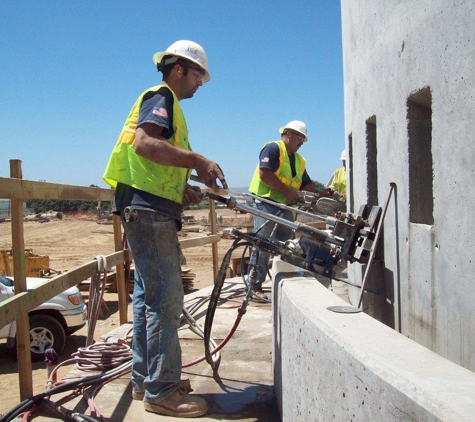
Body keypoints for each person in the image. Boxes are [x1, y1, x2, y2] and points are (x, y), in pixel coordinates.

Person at [103, 40, 227, 418]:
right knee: (164, 300)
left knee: (146, 298)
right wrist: (197, 160)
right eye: (197, 75)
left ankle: (147, 380)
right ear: (179, 70)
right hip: (148, 210)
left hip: (146, 206)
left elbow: (153, 160)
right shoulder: (162, 97)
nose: (200, 84)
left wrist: (181, 188)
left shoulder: (164, 102)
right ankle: (162, 391)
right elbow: (144, 144)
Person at [247, 120, 333, 300]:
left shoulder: (299, 160)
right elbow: (265, 174)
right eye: (300, 138)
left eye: (303, 140)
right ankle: (254, 286)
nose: (301, 143)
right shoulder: (273, 149)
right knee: (264, 243)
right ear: (289, 134)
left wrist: (319, 194)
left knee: (286, 244)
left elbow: (306, 184)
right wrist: (288, 192)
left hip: (284, 205)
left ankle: (285, 281)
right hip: (266, 202)